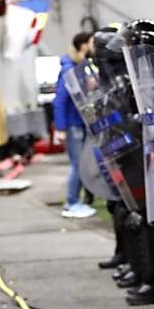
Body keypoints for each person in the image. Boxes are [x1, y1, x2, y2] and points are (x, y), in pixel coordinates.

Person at [54, 32, 98, 219]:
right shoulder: (69, 70)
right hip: (73, 125)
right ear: (82, 45)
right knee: (77, 164)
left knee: (81, 164)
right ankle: (71, 202)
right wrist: (61, 128)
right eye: (91, 43)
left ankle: (75, 201)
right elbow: (60, 101)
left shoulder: (79, 67)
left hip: (79, 123)